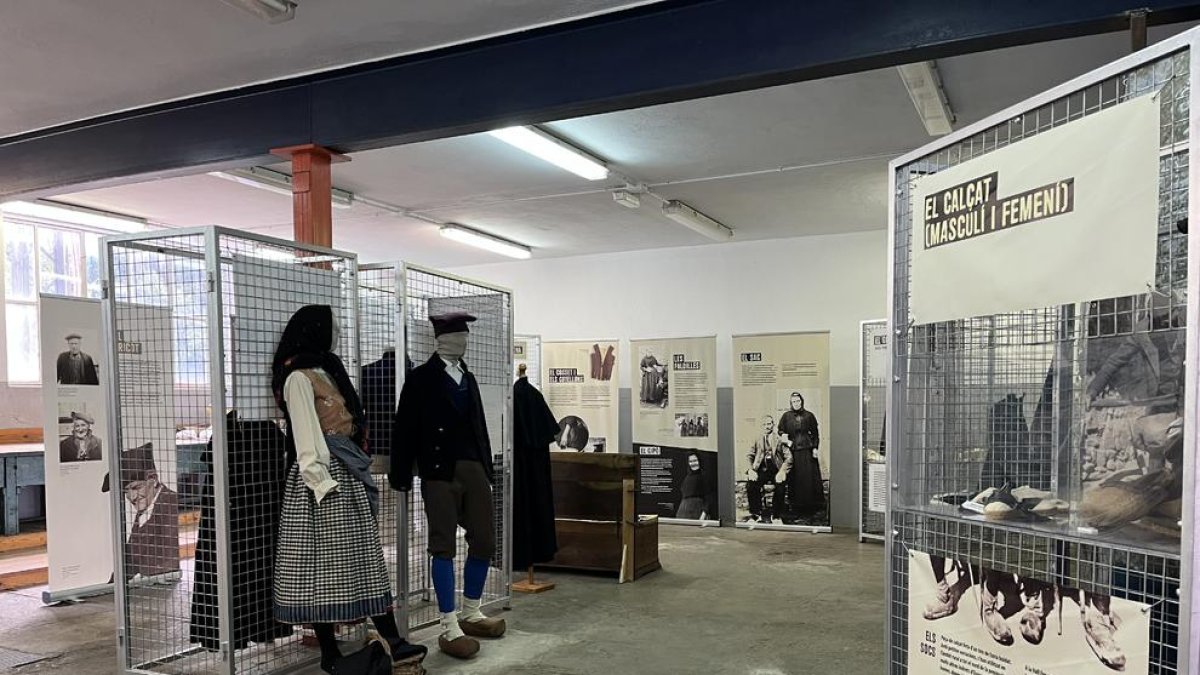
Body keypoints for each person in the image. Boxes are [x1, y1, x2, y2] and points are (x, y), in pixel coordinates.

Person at [271, 305, 425, 674]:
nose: (335, 333)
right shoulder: (297, 377)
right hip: (322, 482)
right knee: (322, 570)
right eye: (330, 326)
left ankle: (392, 640)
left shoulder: (328, 369)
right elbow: (305, 435)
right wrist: (322, 485)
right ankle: (332, 652)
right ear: (313, 331)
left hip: (346, 472)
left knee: (362, 561)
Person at [391, 312, 507, 661]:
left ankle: (472, 609)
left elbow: (480, 426)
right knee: (442, 545)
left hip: (473, 468)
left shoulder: (467, 376)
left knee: (485, 539)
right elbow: (405, 427)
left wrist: (487, 468)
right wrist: (401, 475)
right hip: (438, 472)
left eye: (465, 337)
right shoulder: (420, 378)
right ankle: (448, 622)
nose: (463, 342)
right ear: (441, 340)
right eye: (457, 336)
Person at [101, 443, 179, 579]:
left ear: (153, 480)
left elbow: (169, 560)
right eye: (126, 491)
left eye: (136, 487)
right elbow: (131, 559)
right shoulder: (147, 508)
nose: (131, 497)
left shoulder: (170, 504)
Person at [778, 392, 822, 521]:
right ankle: (796, 508)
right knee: (795, 479)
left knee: (808, 480)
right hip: (793, 452)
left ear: (801, 401)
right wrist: (786, 440)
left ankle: (809, 509)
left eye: (798, 401)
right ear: (790, 403)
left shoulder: (809, 416)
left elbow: (815, 433)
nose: (796, 403)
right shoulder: (786, 416)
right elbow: (780, 430)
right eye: (793, 401)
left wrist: (815, 447)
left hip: (807, 451)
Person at [745, 415, 789, 523]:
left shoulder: (779, 439)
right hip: (761, 469)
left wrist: (782, 471)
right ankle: (756, 514)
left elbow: (789, 457)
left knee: (780, 487)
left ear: (773, 425)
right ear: (761, 426)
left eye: (769, 424)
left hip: (776, 469)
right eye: (764, 424)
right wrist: (751, 470)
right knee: (751, 485)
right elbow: (749, 455)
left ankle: (776, 515)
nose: (766, 427)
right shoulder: (757, 439)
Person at [676, 453, 713, 520]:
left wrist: (704, 514)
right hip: (683, 512)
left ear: (699, 461)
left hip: (697, 511)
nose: (693, 463)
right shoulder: (687, 477)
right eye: (691, 461)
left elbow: (709, 497)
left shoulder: (704, 476)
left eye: (695, 460)